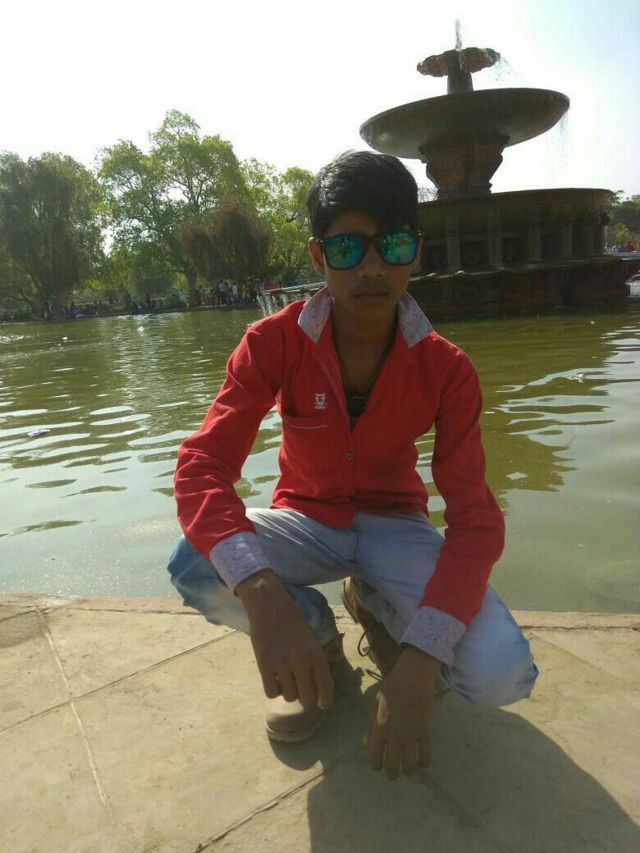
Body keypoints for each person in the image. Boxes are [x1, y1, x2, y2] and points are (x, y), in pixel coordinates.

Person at [168, 151, 538, 780]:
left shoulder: (447, 369)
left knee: (501, 674)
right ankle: (317, 648)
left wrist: (422, 660)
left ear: (415, 253)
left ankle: (377, 605)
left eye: (392, 245)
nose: (371, 267)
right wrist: (264, 597)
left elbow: (475, 522)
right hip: (306, 520)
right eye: (347, 248)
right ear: (318, 258)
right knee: (194, 563)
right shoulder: (272, 342)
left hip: (397, 525)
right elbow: (202, 464)